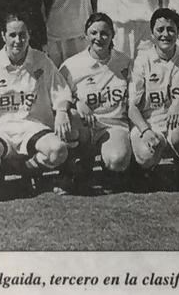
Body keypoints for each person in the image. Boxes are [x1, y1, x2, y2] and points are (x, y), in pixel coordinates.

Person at [0, 14, 77, 199]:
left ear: (29, 35)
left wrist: (61, 111)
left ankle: (27, 170)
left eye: (22, 35)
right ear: (3, 35)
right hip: (1, 128)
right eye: (12, 35)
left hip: (33, 127)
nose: (18, 40)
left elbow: (60, 91)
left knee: (58, 151)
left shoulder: (41, 60)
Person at [127, 8, 179, 193]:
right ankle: (148, 168)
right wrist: (146, 131)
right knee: (146, 157)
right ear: (152, 33)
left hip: (178, 122)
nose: (166, 34)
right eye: (160, 29)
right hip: (152, 123)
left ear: (178, 32)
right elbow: (132, 107)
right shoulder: (142, 60)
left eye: (171, 29)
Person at [56, 13, 134, 193]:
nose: (99, 38)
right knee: (72, 116)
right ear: (86, 35)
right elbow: (59, 97)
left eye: (104, 33)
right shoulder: (72, 65)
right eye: (94, 33)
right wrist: (76, 102)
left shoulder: (125, 62)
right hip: (85, 126)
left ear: (113, 35)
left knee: (117, 160)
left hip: (114, 125)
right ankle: (75, 168)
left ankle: (109, 169)